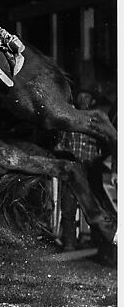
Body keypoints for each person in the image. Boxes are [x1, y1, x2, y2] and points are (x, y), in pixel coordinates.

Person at [54, 90, 104, 251]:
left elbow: (102, 146)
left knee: (93, 207)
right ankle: (70, 243)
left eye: (87, 96)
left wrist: (97, 160)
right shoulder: (69, 120)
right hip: (73, 169)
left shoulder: (96, 122)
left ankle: (97, 242)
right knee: (68, 208)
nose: (83, 99)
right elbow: (60, 144)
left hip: (91, 169)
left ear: (92, 101)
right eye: (80, 96)